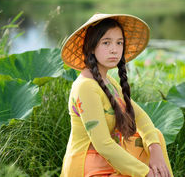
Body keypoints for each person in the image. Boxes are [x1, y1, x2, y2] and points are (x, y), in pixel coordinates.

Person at [60, 13, 173, 177]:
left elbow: (140, 117)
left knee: (155, 137)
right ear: (91, 47)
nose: (114, 49)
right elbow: (103, 145)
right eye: (106, 43)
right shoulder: (85, 87)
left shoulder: (108, 82)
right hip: (88, 166)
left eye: (119, 43)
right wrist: (145, 173)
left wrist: (155, 150)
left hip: (107, 160)